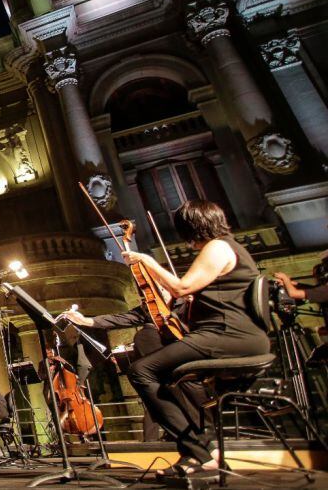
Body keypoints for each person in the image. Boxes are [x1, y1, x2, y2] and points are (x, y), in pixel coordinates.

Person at [115, 199, 269, 477]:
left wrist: (147, 261)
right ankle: (196, 452)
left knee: (141, 370)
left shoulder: (218, 246)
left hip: (227, 335)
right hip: (236, 336)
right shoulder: (232, 248)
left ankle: (200, 450)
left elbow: (181, 286)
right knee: (172, 377)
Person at [61, 298, 209, 442]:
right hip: (166, 360)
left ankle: (200, 438)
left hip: (197, 352)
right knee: (157, 390)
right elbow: (122, 318)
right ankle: (188, 441)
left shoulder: (190, 301)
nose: (144, 295)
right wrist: (86, 321)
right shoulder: (150, 310)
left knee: (180, 393)